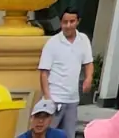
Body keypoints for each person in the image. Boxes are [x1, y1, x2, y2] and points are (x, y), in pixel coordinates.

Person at [37, 9, 93, 138]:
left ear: (78, 22)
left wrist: (88, 78)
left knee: (68, 135)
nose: (68, 25)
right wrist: (47, 97)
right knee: (47, 134)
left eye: (71, 21)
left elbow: (88, 62)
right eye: (64, 22)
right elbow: (44, 72)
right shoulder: (52, 43)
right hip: (55, 98)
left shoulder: (83, 39)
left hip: (72, 99)